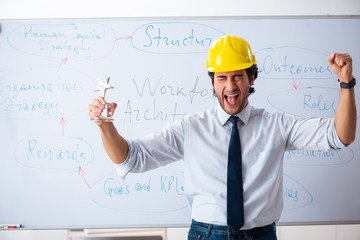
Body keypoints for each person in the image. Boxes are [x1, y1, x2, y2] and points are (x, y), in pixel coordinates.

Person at [88, 35, 357, 240]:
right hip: (206, 234)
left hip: (260, 234)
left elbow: (340, 135)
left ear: (251, 79)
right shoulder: (190, 128)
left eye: (238, 77)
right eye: (222, 78)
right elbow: (131, 159)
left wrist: (346, 83)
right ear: (213, 82)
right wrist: (105, 126)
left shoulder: (277, 125)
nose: (230, 86)